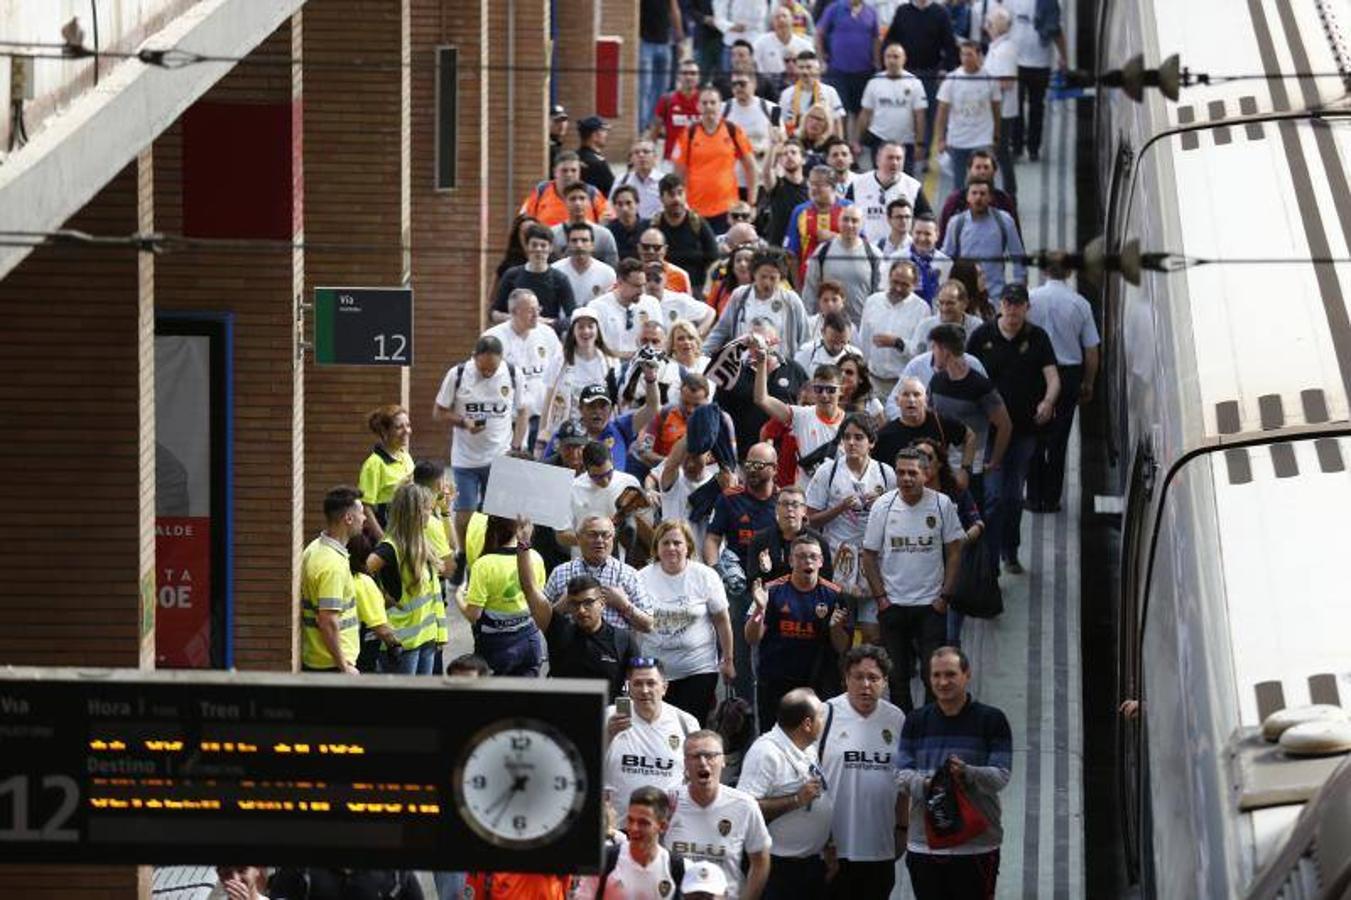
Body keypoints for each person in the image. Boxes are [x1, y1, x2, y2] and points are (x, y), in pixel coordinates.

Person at [896, 647, 1012, 899]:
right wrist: (931, 783)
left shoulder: (992, 719)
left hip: (977, 846)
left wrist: (967, 773)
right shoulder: (915, 720)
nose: (943, 682)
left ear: (966, 674)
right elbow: (901, 776)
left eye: (950, 674)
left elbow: (1000, 776)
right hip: (924, 845)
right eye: (936, 675)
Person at [860, 449, 964, 712]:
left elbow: (954, 551)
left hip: (931, 606)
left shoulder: (941, 504)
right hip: (893, 606)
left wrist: (945, 597)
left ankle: (930, 726)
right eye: (901, 472)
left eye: (912, 473)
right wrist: (881, 599)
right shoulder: (883, 506)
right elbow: (869, 555)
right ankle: (904, 729)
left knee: (934, 677)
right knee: (897, 678)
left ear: (926, 474)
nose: (905, 478)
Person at [967, 283, 1059, 573]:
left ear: (1027, 307)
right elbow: (966, 371)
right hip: (990, 433)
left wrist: (1047, 401)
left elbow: (1053, 378)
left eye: (1019, 304)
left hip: (1023, 432)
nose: (1013, 309)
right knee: (992, 496)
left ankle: (1011, 548)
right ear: (1000, 305)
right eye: (1008, 303)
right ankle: (990, 559)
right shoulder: (982, 336)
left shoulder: (1037, 337)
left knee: (1012, 496)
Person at [819, 645, 907, 899]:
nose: (865, 685)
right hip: (833, 849)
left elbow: (902, 782)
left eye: (873, 678)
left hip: (879, 848)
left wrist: (902, 828)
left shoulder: (897, 719)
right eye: (858, 677)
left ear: (885, 682)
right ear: (846, 679)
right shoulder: (824, 714)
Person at [517, 521, 635, 699]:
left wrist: (620, 719)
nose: (581, 610)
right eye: (575, 604)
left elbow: (633, 686)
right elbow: (529, 588)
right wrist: (524, 542)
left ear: (602, 603)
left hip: (607, 721)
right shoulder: (557, 629)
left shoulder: (623, 639)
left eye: (588, 603)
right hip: (563, 719)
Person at [432, 335, 530, 547]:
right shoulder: (458, 374)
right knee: (465, 514)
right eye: (482, 368)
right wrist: (463, 421)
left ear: (501, 360)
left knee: (496, 516)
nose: (487, 373)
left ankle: (489, 552)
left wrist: (516, 446)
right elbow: (439, 412)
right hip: (465, 458)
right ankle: (463, 553)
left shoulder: (513, 374)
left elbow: (523, 412)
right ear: (474, 357)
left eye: (492, 369)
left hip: (499, 455)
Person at [736, 689, 833, 898]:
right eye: (820, 717)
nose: (823, 721)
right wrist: (796, 799)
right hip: (779, 869)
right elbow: (744, 807)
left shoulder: (807, 747)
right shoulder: (765, 753)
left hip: (810, 864)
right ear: (807, 724)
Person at [746, 534, 849, 732]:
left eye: (812, 556)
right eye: (801, 556)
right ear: (790, 560)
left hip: (818, 683)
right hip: (776, 683)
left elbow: (842, 646)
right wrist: (759, 610)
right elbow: (751, 637)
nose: (807, 561)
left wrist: (835, 628)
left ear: (820, 561)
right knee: (774, 740)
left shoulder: (834, 595)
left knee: (818, 739)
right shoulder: (771, 591)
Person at [804, 413, 893, 637]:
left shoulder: (885, 473)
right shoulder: (828, 471)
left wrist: (880, 506)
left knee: (873, 634)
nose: (851, 443)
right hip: (837, 560)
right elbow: (810, 519)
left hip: (873, 561)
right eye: (847, 437)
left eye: (859, 437)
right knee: (839, 630)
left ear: (871, 442)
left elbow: (896, 520)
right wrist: (840, 508)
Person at [639, 519, 735, 724]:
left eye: (677, 543)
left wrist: (728, 660)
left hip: (698, 669)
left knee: (690, 728)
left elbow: (722, 620)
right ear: (656, 547)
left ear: (688, 546)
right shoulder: (641, 577)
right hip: (655, 672)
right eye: (665, 543)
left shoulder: (705, 576)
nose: (671, 548)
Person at [1026, 256, 1100, 512]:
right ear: (1070, 272)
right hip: (1068, 375)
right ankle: (1052, 498)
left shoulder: (1030, 298)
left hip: (1035, 374)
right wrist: (1088, 383)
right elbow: (1091, 350)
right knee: (1059, 438)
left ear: (1044, 270)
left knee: (1034, 435)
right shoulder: (1080, 304)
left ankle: (1033, 497)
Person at [665, 730, 773, 900]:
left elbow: (760, 860)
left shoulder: (744, 805)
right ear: (685, 762)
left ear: (723, 760)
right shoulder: (669, 801)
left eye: (710, 756)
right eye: (695, 756)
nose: (703, 762)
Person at [924, 323, 1008, 505]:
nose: (933, 354)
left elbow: (1004, 424)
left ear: (944, 350)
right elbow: (930, 417)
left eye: (935, 348)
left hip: (972, 469)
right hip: (941, 467)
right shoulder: (936, 381)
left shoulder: (980, 386)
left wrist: (994, 461)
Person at [912, 436, 984, 644]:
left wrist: (961, 540)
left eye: (928, 458)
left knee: (951, 637)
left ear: (939, 463)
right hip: (918, 579)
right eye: (918, 458)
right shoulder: (905, 496)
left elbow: (977, 523)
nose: (923, 464)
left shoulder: (956, 490)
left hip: (952, 574)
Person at [365, 483, 441, 675]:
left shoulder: (422, 541)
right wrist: (382, 598)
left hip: (427, 640)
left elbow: (434, 592)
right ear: (413, 513)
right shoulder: (390, 548)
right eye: (426, 509)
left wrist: (440, 632)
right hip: (402, 644)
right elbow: (361, 575)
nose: (429, 514)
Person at [605, 658, 702, 806]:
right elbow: (585, 762)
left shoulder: (686, 722)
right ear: (629, 688)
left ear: (664, 687)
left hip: (667, 824)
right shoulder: (611, 715)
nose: (644, 690)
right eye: (637, 684)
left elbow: (699, 772)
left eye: (651, 683)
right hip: (618, 823)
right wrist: (607, 735)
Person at [458, 515, 545, 676]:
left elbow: (473, 616)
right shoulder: (535, 558)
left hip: (495, 645)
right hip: (529, 641)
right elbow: (537, 601)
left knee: (496, 699)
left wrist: (458, 597)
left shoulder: (484, 565)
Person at [544, 514, 656, 632]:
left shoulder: (629, 575)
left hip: (614, 649)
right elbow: (540, 622)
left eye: (606, 535)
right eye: (593, 535)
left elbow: (649, 625)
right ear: (578, 538)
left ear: (613, 539)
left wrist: (625, 606)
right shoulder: (560, 573)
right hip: (569, 647)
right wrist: (561, 607)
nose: (599, 540)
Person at [670, 85, 759, 232]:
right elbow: (678, 175)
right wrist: (679, 204)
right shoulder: (688, 134)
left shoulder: (732, 131)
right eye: (704, 103)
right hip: (695, 209)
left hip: (728, 210)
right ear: (698, 106)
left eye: (713, 102)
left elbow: (751, 168)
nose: (709, 107)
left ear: (720, 105)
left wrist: (752, 203)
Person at [882, 0, 958, 167]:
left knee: (928, 116)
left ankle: (923, 156)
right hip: (905, 74)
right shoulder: (902, 11)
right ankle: (901, 154)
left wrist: (946, 70)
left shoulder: (940, 12)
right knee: (906, 115)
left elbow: (950, 44)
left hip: (930, 74)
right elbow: (890, 40)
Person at [485, 290, 562, 449]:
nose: (536, 314)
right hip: (509, 421)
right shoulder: (493, 338)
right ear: (513, 312)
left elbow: (560, 372)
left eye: (537, 309)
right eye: (530, 310)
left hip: (541, 418)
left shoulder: (547, 334)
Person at [301, 486, 365, 674]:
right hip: (331, 665)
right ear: (348, 518)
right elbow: (328, 621)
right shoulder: (332, 566)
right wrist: (344, 667)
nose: (365, 518)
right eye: (361, 513)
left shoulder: (315, 547)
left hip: (321, 659)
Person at [754, 358, 846, 488]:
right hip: (806, 499)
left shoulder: (850, 423)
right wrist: (762, 362)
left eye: (831, 390)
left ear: (841, 390)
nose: (824, 395)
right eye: (819, 389)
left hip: (838, 498)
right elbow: (761, 400)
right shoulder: (801, 415)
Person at [704, 251, 810, 362]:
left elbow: (805, 338)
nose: (767, 282)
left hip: (781, 367)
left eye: (773, 278)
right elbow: (721, 330)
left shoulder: (791, 300)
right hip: (745, 366)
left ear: (781, 278)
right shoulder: (740, 295)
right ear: (754, 274)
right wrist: (702, 354)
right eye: (763, 277)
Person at [875, 377, 975, 482]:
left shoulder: (939, 422)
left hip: (941, 490)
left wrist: (965, 470)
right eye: (905, 395)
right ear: (897, 401)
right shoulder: (885, 436)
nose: (911, 400)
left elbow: (970, 436)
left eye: (916, 394)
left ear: (926, 399)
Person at [933, 41, 1001, 193]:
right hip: (958, 139)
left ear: (979, 56)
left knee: (984, 179)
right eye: (963, 54)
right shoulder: (952, 79)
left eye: (970, 54)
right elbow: (942, 111)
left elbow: (996, 109)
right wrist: (940, 138)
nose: (965, 58)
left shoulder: (990, 79)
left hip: (982, 138)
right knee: (959, 182)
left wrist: (996, 134)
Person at [940, 179, 1025, 301]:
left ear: (990, 197)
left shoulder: (1005, 221)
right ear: (968, 197)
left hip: (995, 295)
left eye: (982, 193)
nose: (978, 197)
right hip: (965, 296)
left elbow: (1018, 256)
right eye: (974, 193)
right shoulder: (956, 223)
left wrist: (1019, 287)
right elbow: (945, 258)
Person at [596, 786, 688, 898]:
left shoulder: (676, 867)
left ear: (662, 826)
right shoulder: (605, 859)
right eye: (630, 820)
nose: (634, 828)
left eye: (643, 823)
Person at [858, 259, 928, 400]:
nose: (898, 288)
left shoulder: (922, 309)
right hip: (873, 381)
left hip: (902, 384)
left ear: (914, 285)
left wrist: (897, 343)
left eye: (905, 285)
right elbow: (863, 341)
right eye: (895, 282)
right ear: (889, 278)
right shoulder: (872, 301)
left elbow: (920, 352)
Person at [801, 206, 881, 328]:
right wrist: (807, 322)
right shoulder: (823, 251)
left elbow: (879, 294)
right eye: (845, 219)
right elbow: (811, 289)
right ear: (838, 222)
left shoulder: (874, 254)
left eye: (854, 221)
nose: (849, 224)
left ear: (862, 224)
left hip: (861, 328)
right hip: (828, 328)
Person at [1009, 0, 1069, 163]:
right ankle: (1016, 146)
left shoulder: (1050, 3)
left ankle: (1034, 147)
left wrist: (1063, 57)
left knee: (1037, 107)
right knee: (1016, 106)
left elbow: (1056, 30)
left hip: (1041, 63)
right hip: (1016, 62)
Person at [746, 483, 836, 586]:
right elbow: (752, 582)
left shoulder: (818, 542)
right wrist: (765, 570)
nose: (789, 509)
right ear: (776, 509)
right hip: (771, 598)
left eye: (795, 505)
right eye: (784, 504)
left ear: (804, 510)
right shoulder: (760, 540)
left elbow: (826, 581)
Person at [857, 47, 928, 175]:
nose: (892, 60)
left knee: (905, 185)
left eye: (896, 57)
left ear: (904, 59)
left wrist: (920, 143)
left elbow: (920, 116)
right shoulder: (874, 82)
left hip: (905, 142)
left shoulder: (914, 83)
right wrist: (858, 140)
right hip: (879, 139)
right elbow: (865, 113)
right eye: (888, 57)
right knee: (880, 180)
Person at [491, 223, 577, 328]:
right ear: (527, 247)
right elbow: (494, 313)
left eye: (543, 245)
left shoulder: (559, 279)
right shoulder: (512, 275)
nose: (538, 249)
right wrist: (517, 319)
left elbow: (573, 317)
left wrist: (549, 323)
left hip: (547, 336)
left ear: (550, 248)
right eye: (534, 245)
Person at [815, 0, 880, 138]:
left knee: (861, 113)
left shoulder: (871, 12)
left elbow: (876, 38)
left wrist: (877, 63)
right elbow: (819, 34)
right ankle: (840, 146)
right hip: (837, 72)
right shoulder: (834, 8)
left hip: (864, 72)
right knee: (839, 113)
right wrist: (821, 61)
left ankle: (857, 147)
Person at [649, 174, 721, 295]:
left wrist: (708, 288)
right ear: (661, 198)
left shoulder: (698, 223)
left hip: (696, 288)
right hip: (665, 289)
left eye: (680, 193)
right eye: (671, 194)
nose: (676, 199)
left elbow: (714, 259)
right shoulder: (655, 226)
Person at [784, 166, 852, 287]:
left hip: (843, 282)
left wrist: (835, 238)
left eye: (819, 184)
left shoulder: (848, 208)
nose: (814, 189)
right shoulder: (800, 211)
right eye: (811, 184)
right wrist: (798, 287)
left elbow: (862, 244)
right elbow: (791, 254)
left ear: (833, 186)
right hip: (809, 282)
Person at [587, 259, 666, 360]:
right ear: (620, 282)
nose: (642, 291)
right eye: (636, 286)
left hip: (645, 366)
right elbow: (594, 347)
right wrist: (629, 356)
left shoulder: (651, 303)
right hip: (609, 366)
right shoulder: (597, 307)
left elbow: (659, 342)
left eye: (643, 285)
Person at [901, 279, 983, 376]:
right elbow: (915, 358)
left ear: (964, 304)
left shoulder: (977, 327)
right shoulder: (925, 327)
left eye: (950, 303)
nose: (944, 308)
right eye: (941, 303)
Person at [935, 151, 1021, 242]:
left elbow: (1016, 240)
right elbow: (942, 238)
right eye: (978, 167)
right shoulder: (955, 201)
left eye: (986, 167)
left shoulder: (1003, 201)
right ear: (969, 170)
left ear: (994, 171)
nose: (982, 171)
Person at [357, 404, 414, 539]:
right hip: (387, 535)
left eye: (408, 425)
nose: (406, 431)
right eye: (399, 427)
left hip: (406, 534)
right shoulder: (374, 464)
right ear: (384, 431)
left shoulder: (405, 456)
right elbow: (366, 507)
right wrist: (383, 541)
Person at [723, 72, 785, 189]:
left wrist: (764, 151)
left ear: (754, 84)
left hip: (763, 180)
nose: (738, 88)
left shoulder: (772, 109)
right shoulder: (723, 109)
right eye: (734, 84)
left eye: (742, 84)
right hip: (732, 181)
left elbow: (782, 141)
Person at [983, 7, 1020, 197]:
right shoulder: (997, 46)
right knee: (999, 152)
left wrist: (984, 87)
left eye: (990, 23)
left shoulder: (1005, 50)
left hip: (1002, 111)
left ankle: (1009, 193)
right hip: (996, 110)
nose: (987, 26)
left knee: (1002, 152)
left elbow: (1006, 82)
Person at [520, 151, 609, 226]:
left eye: (573, 170)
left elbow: (608, 219)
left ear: (579, 172)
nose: (569, 175)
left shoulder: (591, 193)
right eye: (564, 170)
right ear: (555, 172)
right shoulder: (541, 191)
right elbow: (523, 221)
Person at [640, 0, 684, 132]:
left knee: (662, 88)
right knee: (645, 87)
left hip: (665, 42)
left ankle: (656, 125)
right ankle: (642, 126)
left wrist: (679, 38)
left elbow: (674, 10)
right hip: (644, 42)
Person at [778, 51, 845, 138]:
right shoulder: (786, 94)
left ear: (817, 69)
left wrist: (839, 143)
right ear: (796, 69)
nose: (805, 71)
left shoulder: (830, 92)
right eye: (801, 67)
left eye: (809, 67)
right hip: (796, 142)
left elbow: (837, 122)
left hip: (823, 140)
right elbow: (780, 123)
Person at [553, 222, 619, 305]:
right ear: (568, 245)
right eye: (574, 241)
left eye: (584, 240)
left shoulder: (607, 273)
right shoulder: (555, 271)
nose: (579, 245)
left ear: (592, 245)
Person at [651, 58, 705, 161]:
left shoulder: (706, 101)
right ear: (678, 77)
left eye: (693, 73)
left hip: (699, 160)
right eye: (684, 73)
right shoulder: (667, 100)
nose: (689, 77)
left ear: (699, 77)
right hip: (672, 160)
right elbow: (654, 132)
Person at [762, 140, 810, 247]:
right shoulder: (777, 184)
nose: (789, 156)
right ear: (780, 161)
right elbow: (766, 172)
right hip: (778, 245)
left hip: (803, 244)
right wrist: (773, 145)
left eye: (793, 152)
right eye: (784, 154)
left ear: (804, 159)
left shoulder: (811, 187)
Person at [754, 6, 814, 93]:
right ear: (772, 23)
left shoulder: (805, 44)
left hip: (798, 87)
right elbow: (755, 68)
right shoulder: (760, 43)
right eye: (777, 17)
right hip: (768, 87)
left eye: (784, 16)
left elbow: (812, 71)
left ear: (792, 20)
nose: (781, 20)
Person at [793, 309, 861, 373]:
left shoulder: (855, 355)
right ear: (822, 332)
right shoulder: (805, 353)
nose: (837, 347)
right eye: (832, 342)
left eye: (843, 342)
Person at [909, 215, 953, 306]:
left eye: (927, 234)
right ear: (911, 233)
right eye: (918, 233)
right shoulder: (897, 259)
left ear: (937, 235)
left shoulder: (947, 264)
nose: (922, 238)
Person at [637, 229, 695, 296]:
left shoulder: (680, 275)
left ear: (665, 249)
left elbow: (688, 304)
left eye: (657, 247)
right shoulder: (628, 273)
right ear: (639, 248)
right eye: (645, 247)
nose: (651, 251)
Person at [577, 115, 616, 196]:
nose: (606, 135)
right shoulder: (598, 163)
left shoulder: (573, 158)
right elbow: (613, 192)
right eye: (604, 131)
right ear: (594, 135)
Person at [549, 103, 569, 171]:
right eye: (557, 121)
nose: (562, 124)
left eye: (564, 120)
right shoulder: (548, 145)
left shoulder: (557, 143)